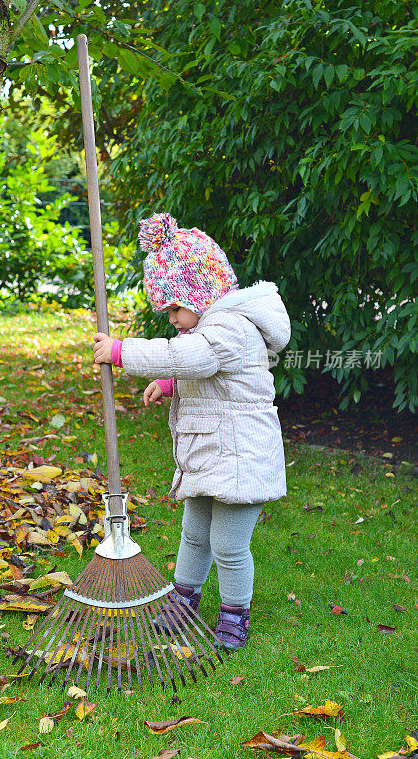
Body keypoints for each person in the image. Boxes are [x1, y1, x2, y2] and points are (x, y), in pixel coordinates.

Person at [93, 212, 291, 651]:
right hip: (212, 452)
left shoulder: (230, 326)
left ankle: (235, 613)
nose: (172, 320)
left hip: (243, 456)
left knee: (228, 543)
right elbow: (200, 368)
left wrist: (123, 352)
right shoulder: (212, 329)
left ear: (201, 296)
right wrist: (169, 383)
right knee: (194, 531)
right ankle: (184, 599)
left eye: (175, 308)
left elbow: (196, 358)